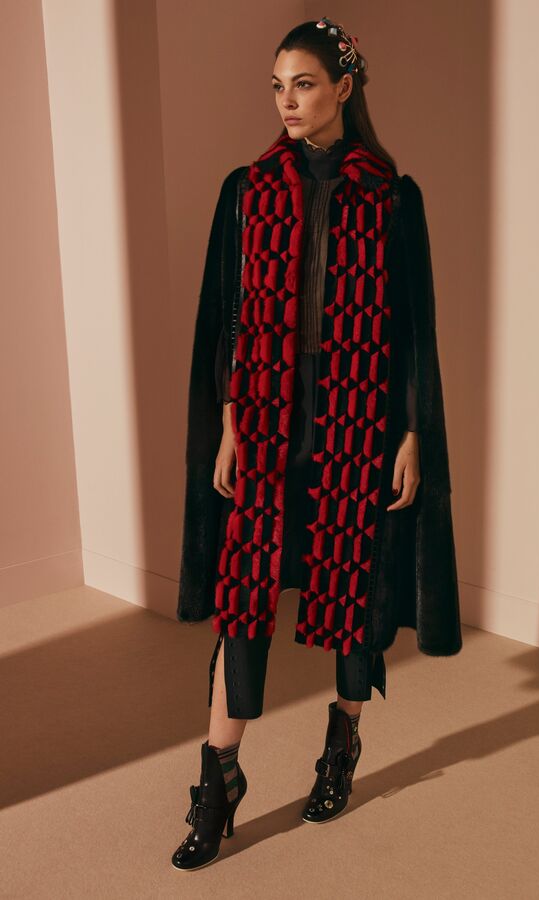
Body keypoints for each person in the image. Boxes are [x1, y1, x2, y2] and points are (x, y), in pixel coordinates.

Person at [172, 17, 462, 871]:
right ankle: (219, 781)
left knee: (352, 586)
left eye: (302, 83)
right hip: (267, 420)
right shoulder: (248, 190)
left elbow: (413, 331)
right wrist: (229, 420)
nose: (287, 102)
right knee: (245, 596)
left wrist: (412, 432)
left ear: (343, 85)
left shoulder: (392, 197)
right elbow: (229, 319)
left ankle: (342, 741)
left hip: (357, 420)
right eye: (277, 86)